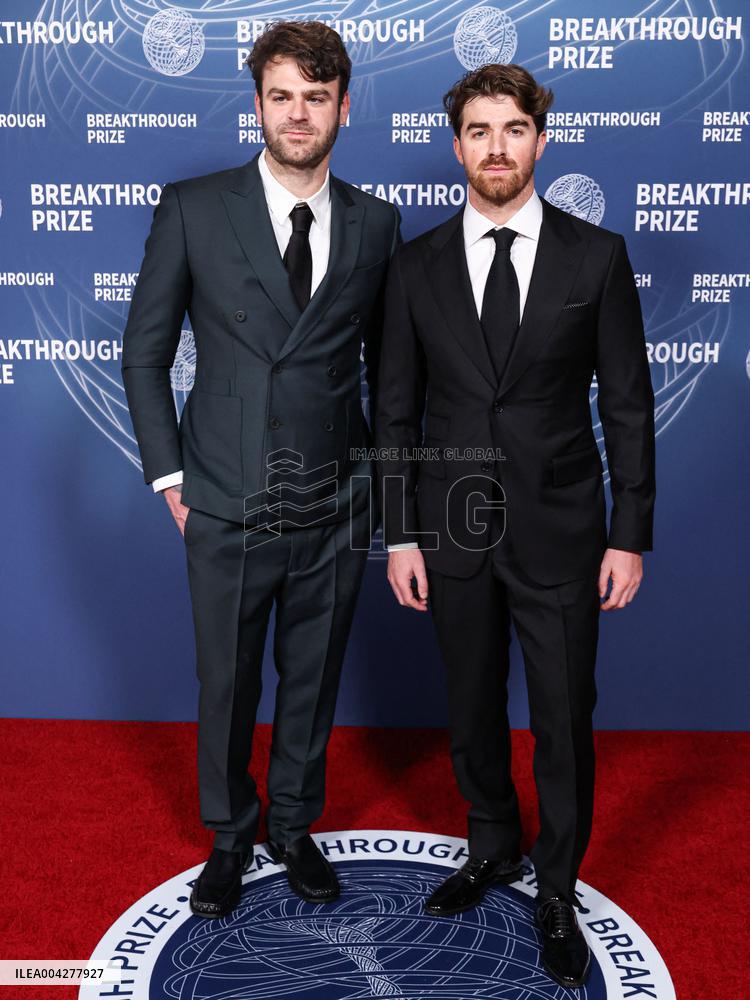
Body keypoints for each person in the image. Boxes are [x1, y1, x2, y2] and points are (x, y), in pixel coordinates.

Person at [375, 63, 655, 989]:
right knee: (470, 706)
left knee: (565, 717)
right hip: (450, 530)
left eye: (514, 129)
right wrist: (401, 533)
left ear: (542, 137)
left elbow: (627, 405)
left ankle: (558, 886)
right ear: (456, 145)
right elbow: (396, 411)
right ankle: (491, 844)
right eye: (479, 131)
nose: (496, 148)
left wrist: (629, 533)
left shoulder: (596, 256)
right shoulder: (413, 266)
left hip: (563, 529)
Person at [122, 20, 399, 919]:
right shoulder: (194, 207)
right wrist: (171, 479)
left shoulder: (377, 222)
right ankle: (230, 836)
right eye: (282, 96)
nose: (298, 114)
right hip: (225, 493)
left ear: (345, 107)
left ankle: (292, 824)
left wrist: (382, 494)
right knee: (229, 681)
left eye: (316, 98)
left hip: (335, 498)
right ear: (258, 105)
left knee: (312, 679)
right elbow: (144, 353)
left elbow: (393, 371)